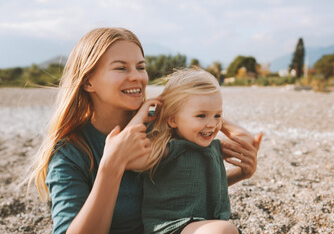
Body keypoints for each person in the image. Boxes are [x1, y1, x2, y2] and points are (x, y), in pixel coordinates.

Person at [28, 27, 262, 234]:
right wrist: (111, 167)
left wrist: (238, 173)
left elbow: (179, 186)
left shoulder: (161, 127)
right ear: (88, 82)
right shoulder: (70, 153)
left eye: (141, 67)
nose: (136, 77)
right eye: (121, 68)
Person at [132, 68, 238, 234]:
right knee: (223, 230)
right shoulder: (167, 149)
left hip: (201, 226)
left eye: (218, 116)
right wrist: (141, 116)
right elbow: (129, 153)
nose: (212, 124)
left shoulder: (214, 148)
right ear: (173, 119)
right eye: (201, 115)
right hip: (170, 228)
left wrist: (217, 119)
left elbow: (246, 139)